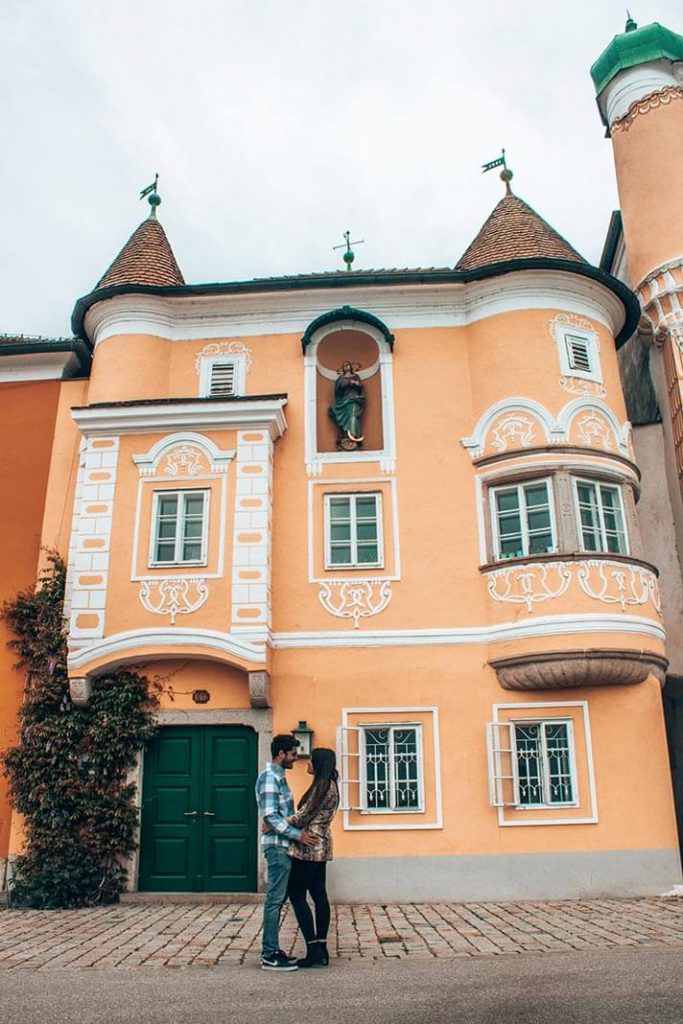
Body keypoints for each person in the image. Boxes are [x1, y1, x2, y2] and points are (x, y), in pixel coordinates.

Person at [255, 734, 316, 972]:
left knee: (278, 899)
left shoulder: (279, 778)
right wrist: (297, 835)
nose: (295, 758)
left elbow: (278, 815)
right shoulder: (270, 778)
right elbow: (271, 816)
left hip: (282, 845)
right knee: (275, 900)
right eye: (292, 754)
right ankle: (269, 954)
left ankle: (273, 950)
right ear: (281, 754)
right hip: (277, 846)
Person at [286, 747, 340, 968]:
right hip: (322, 845)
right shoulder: (331, 786)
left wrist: (277, 822)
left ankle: (313, 948)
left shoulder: (322, 787)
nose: (307, 764)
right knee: (319, 895)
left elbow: (302, 817)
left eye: (310, 761)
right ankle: (322, 947)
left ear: (318, 764)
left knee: (296, 894)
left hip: (309, 847)